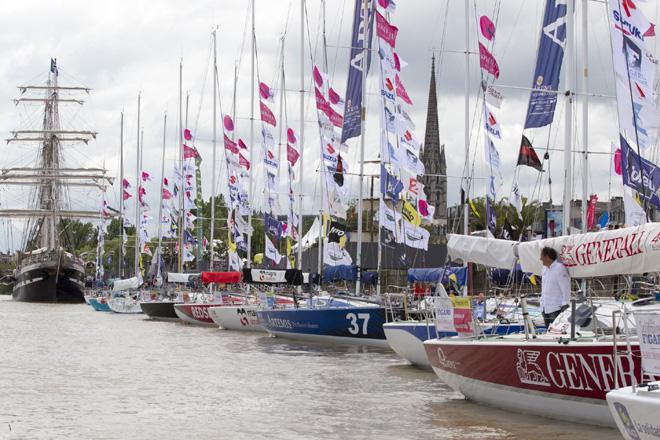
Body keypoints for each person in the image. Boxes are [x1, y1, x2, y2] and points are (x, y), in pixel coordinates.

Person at [539, 246, 571, 328]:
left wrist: (565, 303)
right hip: (544, 307)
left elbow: (566, 287)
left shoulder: (560, 268)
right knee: (548, 333)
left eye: (542, 256)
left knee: (556, 333)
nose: (540, 258)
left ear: (547, 257)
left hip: (556, 308)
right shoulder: (544, 269)